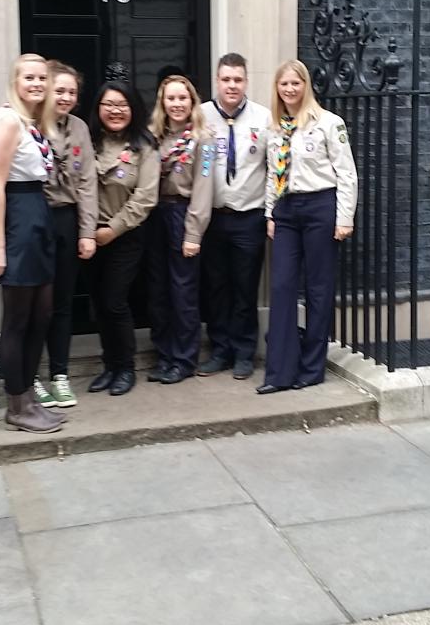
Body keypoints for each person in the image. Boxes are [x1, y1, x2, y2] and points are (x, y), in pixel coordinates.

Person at [258, 59, 358, 394]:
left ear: (305, 86)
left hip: (319, 206)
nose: (289, 89)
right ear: (277, 88)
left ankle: (312, 368)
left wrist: (344, 218)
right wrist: (270, 213)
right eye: (283, 84)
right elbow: (274, 174)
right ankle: (279, 372)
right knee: (282, 287)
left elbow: (346, 173)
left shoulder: (329, 123)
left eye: (295, 83)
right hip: (287, 209)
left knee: (318, 289)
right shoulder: (275, 128)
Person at [0, 53, 62, 433]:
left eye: (42, 78)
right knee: (17, 320)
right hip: (18, 218)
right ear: (15, 82)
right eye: (29, 77)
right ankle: (16, 405)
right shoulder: (7, 121)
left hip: (38, 215)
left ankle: (29, 397)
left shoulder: (33, 124)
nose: (36, 84)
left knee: (41, 316)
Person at [198, 53, 271, 379]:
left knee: (244, 288)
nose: (232, 85)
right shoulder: (200, 116)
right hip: (212, 217)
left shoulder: (264, 118)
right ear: (217, 80)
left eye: (237, 79)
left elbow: (276, 169)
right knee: (215, 287)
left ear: (245, 82)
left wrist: (272, 213)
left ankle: (244, 352)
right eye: (226, 79)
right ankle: (220, 350)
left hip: (249, 217)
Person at [87, 79, 160, 396]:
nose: (115, 111)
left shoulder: (145, 147)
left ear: (133, 108)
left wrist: (111, 230)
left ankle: (125, 367)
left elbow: (145, 198)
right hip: (88, 237)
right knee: (98, 305)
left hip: (125, 235)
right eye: (108, 105)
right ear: (99, 109)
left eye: (122, 105)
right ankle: (109, 365)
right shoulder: (86, 141)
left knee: (115, 302)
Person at [33, 61, 98, 409]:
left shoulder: (80, 129)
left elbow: (87, 183)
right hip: (35, 218)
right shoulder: (28, 125)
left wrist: (87, 231)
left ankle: (59, 373)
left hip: (67, 219)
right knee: (33, 304)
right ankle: (30, 376)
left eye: (72, 92)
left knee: (61, 304)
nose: (66, 97)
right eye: (60, 90)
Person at [147, 75, 215, 384]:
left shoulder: (205, 139)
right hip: (154, 215)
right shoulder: (152, 136)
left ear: (192, 101)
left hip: (183, 214)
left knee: (183, 292)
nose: (176, 104)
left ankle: (184, 359)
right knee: (158, 291)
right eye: (170, 99)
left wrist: (193, 233)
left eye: (182, 98)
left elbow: (204, 186)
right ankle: (164, 354)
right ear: (163, 102)